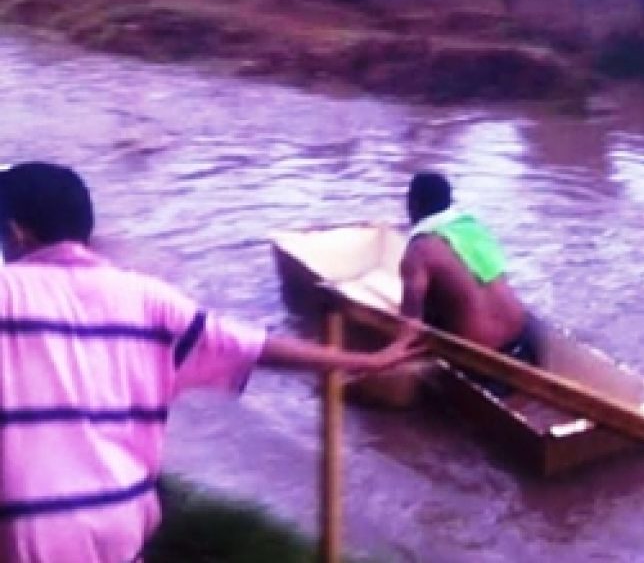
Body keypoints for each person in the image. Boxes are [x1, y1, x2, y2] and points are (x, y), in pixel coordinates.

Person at [0, 161, 423, 563]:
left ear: (17, 232)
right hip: (123, 511)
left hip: (30, 520)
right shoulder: (148, 298)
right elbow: (256, 347)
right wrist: (367, 359)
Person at [400, 171, 539, 397]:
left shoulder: (419, 251)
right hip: (526, 344)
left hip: (481, 364)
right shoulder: (472, 229)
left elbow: (409, 325)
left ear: (413, 205)